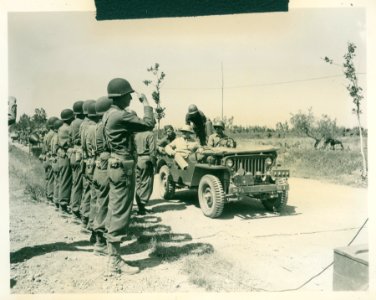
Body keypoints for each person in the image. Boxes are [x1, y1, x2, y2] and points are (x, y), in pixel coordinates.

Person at [104, 77, 155, 275]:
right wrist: (147, 104)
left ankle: (112, 256)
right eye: (129, 95)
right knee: (120, 212)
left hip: (116, 163)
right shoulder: (120, 116)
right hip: (123, 166)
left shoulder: (109, 114)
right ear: (121, 96)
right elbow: (148, 124)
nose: (131, 99)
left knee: (115, 209)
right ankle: (114, 262)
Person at [92, 96, 112, 256]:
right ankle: (100, 243)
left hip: (99, 164)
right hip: (105, 165)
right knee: (106, 203)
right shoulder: (104, 127)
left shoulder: (96, 126)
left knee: (100, 202)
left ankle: (98, 237)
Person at [79, 100, 96, 232]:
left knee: (87, 190)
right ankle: (91, 222)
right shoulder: (93, 126)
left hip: (86, 160)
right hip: (93, 161)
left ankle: (85, 219)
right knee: (93, 193)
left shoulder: (82, 124)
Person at [84, 101, 99, 243]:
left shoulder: (87, 129)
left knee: (93, 197)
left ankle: (92, 227)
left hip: (90, 163)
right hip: (101, 164)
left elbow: (83, 146)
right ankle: (98, 232)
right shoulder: (100, 128)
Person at [69, 101, 85, 222]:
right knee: (80, 183)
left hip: (73, 153)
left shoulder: (73, 123)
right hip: (79, 152)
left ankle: (74, 206)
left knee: (75, 182)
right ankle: (76, 209)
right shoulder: (83, 123)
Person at [56, 109, 74, 216]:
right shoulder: (67, 129)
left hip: (62, 155)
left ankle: (61, 203)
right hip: (65, 156)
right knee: (66, 180)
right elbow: (68, 143)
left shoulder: (61, 128)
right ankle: (63, 205)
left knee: (63, 180)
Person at [134, 131, 156, 215]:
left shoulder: (137, 134)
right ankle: (142, 208)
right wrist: (154, 164)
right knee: (147, 183)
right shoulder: (150, 134)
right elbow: (152, 152)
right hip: (147, 160)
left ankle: (140, 207)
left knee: (139, 183)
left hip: (138, 159)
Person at [42, 116, 58, 204]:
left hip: (45, 157)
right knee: (52, 178)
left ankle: (47, 195)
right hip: (50, 157)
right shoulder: (53, 135)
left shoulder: (47, 134)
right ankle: (50, 196)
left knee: (48, 178)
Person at [50, 119, 64, 210]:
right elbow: (56, 149)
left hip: (53, 159)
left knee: (56, 181)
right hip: (57, 159)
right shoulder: (57, 137)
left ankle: (55, 201)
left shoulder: (53, 136)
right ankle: (59, 203)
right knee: (59, 182)